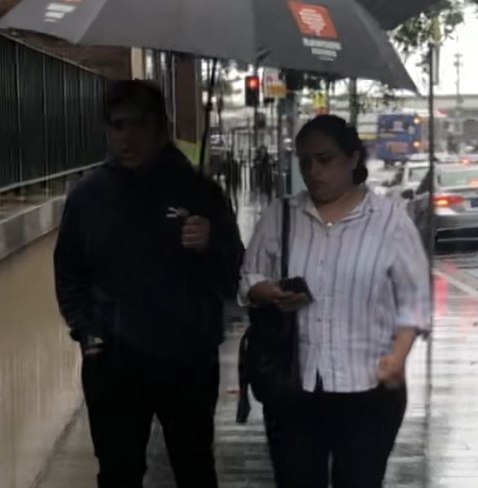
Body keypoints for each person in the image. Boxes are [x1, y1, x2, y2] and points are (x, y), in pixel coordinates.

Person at [53, 80, 243, 488]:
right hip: (114, 362)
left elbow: (233, 274)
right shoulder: (88, 196)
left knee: (194, 468)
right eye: (117, 126)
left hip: (187, 360)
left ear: (161, 126)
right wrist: (87, 330)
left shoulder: (200, 192)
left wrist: (211, 242)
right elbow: (69, 272)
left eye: (137, 125)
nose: (126, 137)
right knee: (119, 474)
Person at [239, 114, 430, 488]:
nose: (313, 171)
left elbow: (415, 300)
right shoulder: (281, 216)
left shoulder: (390, 222)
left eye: (324, 159)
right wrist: (269, 292)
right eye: (304, 160)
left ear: (353, 159)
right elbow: (248, 278)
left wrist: (398, 357)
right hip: (295, 388)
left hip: (369, 389)